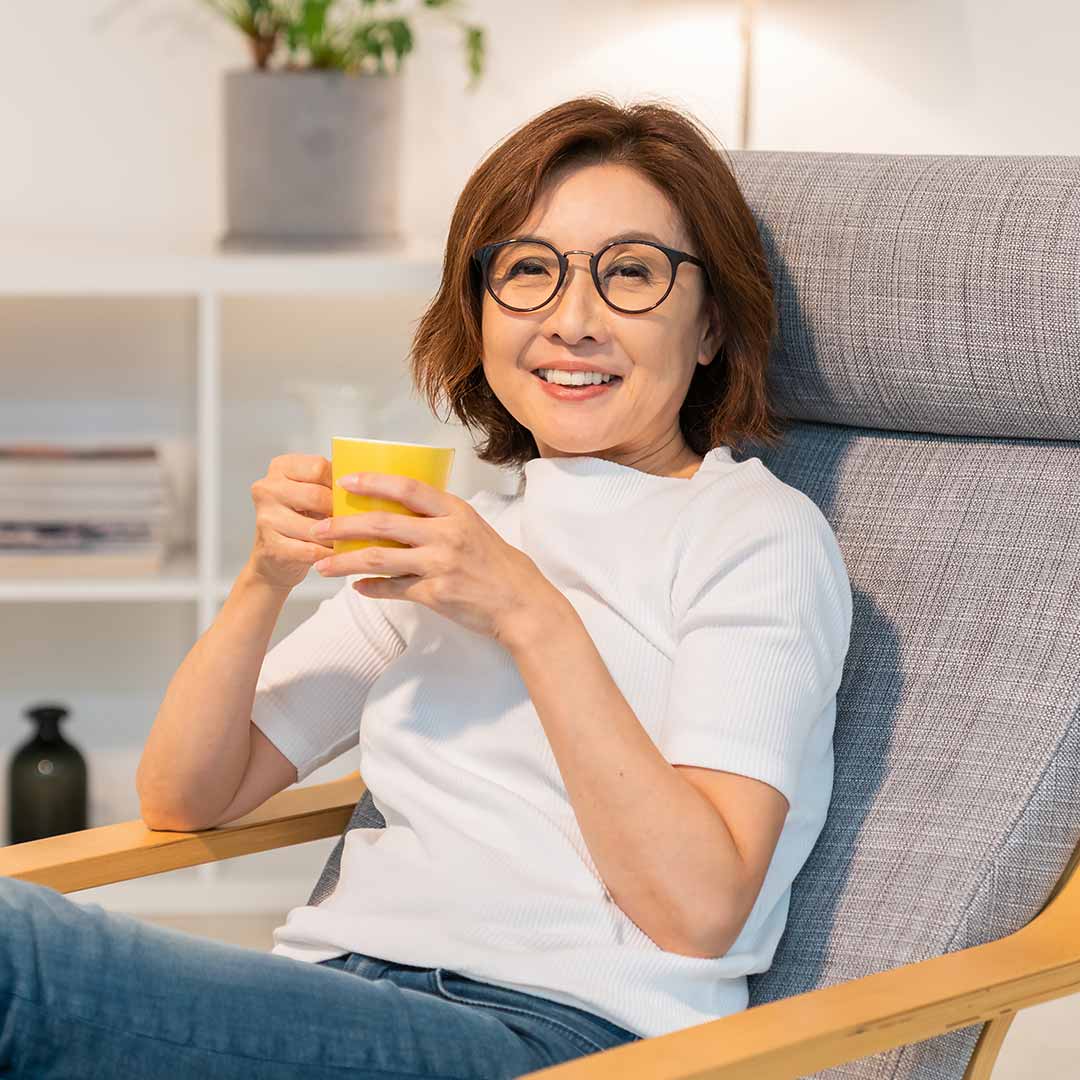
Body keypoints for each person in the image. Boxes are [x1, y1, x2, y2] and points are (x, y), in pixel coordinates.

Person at [1, 94, 853, 1079]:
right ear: (481, 313)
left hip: (559, 1037)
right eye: (530, 272)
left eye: (630, 275)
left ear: (709, 327)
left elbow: (699, 913)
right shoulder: (465, 534)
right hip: (343, 992)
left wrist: (532, 615)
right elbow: (189, 793)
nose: (571, 321)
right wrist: (264, 581)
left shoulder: (752, 536)